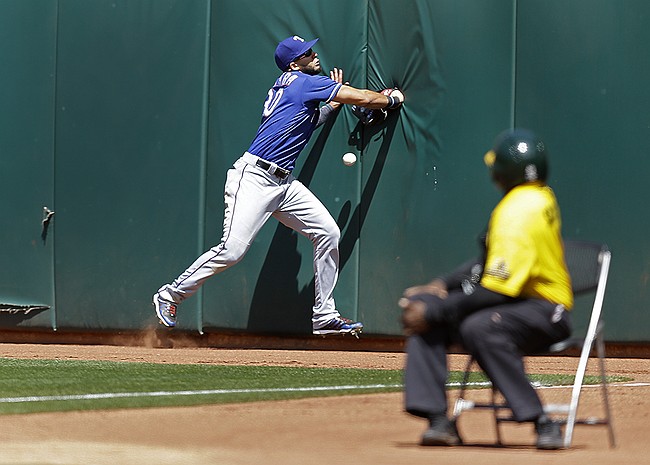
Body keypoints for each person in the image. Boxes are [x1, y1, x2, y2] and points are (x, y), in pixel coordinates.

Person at [153, 35, 404, 336]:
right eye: (306, 53)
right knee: (232, 251)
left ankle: (324, 315)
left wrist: (333, 104)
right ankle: (171, 295)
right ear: (295, 63)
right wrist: (391, 99)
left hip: (283, 183)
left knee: (328, 233)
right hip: (254, 178)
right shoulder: (303, 82)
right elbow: (363, 98)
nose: (313, 55)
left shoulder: (290, 84)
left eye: (311, 50)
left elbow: (307, 120)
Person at [399, 128, 573, 450]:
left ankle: (541, 422)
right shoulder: (535, 195)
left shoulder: (517, 213)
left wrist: (435, 309)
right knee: (427, 309)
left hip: (546, 310)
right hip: (513, 304)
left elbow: (498, 292)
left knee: (477, 325)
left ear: (502, 172)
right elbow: (487, 262)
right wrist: (442, 286)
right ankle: (438, 420)